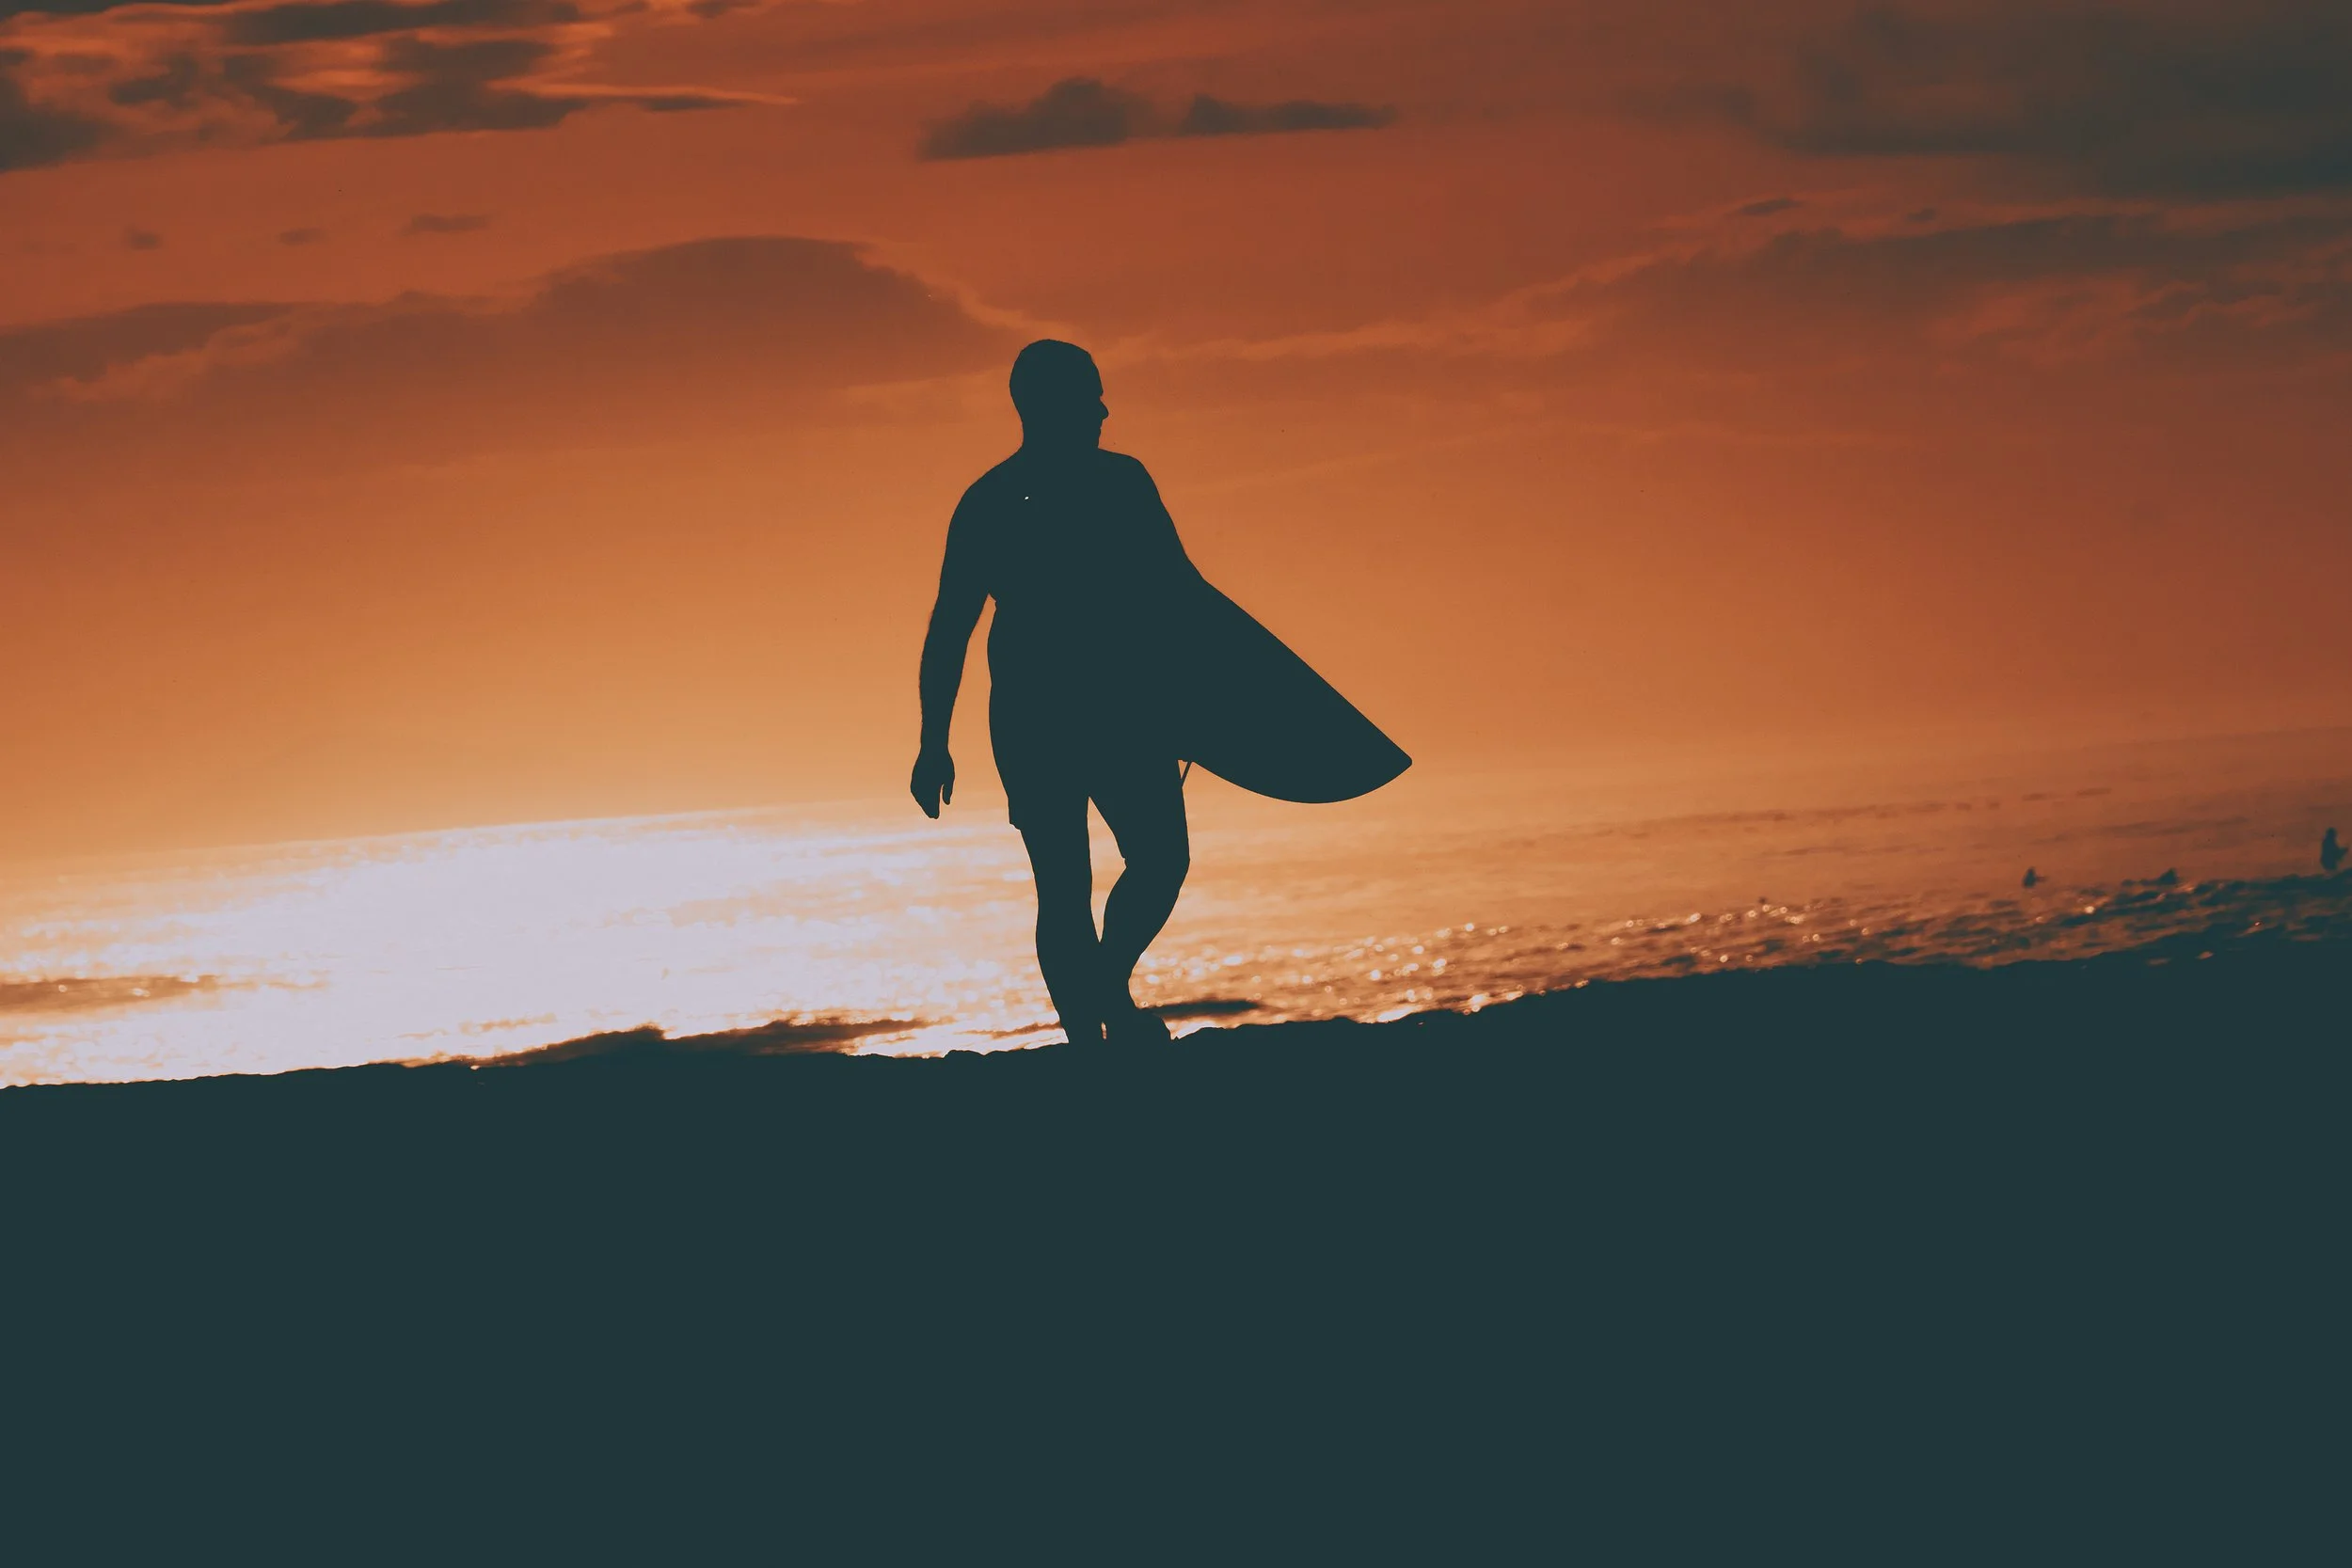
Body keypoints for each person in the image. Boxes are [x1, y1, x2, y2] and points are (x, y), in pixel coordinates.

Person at [911, 341, 1201, 1047]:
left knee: (1162, 859)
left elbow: (1180, 597)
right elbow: (950, 625)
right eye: (1090, 395)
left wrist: (1199, 701)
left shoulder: (1125, 482)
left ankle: (1104, 988)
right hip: (1044, 714)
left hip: (1118, 706)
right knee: (1064, 883)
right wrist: (932, 742)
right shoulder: (991, 501)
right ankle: (1088, 1039)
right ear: (1050, 406)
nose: (1104, 408)